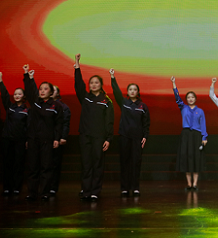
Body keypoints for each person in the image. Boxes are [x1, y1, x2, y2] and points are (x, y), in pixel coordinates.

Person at [74, 54, 114, 201]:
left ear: (101, 85)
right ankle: (86, 190)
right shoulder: (85, 98)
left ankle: (95, 191)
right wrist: (77, 64)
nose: (93, 85)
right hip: (85, 136)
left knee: (97, 164)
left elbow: (109, 121)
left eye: (96, 82)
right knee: (86, 164)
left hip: (99, 138)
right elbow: (78, 84)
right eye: (91, 83)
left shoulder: (106, 101)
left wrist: (108, 139)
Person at [22, 65, 64, 200]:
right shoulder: (35, 103)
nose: (42, 91)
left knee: (46, 167)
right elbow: (29, 91)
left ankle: (45, 192)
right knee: (33, 167)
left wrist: (57, 138)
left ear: (51, 92)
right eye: (41, 89)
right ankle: (32, 192)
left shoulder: (56, 106)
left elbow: (59, 123)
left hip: (47, 140)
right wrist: (27, 76)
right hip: (33, 139)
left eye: (45, 89)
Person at [110, 68, 150, 197]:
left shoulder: (143, 106)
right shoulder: (124, 103)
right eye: (130, 89)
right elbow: (116, 92)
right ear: (127, 92)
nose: (132, 91)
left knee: (136, 163)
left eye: (135, 89)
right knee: (125, 162)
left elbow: (146, 123)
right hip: (124, 137)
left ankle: (135, 187)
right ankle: (125, 188)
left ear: (138, 92)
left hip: (137, 138)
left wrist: (145, 136)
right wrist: (112, 77)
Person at [171, 76, 208, 190]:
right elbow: (177, 97)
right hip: (186, 135)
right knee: (186, 158)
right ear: (186, 99)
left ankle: (195, 184)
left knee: (196, 158)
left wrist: (204, 137)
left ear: (195, 99)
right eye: (188, 97)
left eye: (192, 97)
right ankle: (189, 184)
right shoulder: (184, 108)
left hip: (196, 136)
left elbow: (203, 125)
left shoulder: (200, 111)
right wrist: (174, 84)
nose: (190, 99)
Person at [0, 72, 28, 196]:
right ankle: (6, 187)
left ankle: (16, 187)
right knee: (7, 164)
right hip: (7, 139)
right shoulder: (10, 107)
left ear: (24, 96)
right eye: (15, 94)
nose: (17, 96)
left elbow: (28, 126)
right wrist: (0, 81)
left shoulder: (27, 110)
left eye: (19, 94)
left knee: (18, 164)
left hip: (20, 140)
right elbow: (5, 96)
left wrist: (27, 140)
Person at [50, 85, 71, 195]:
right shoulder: (42, 105)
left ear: (58, 93)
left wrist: (63, 137)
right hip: (44, 138)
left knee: (55, 164)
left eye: (53, 90)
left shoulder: (63, 107)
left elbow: (65, 123)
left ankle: (53, 187)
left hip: (57, 139)